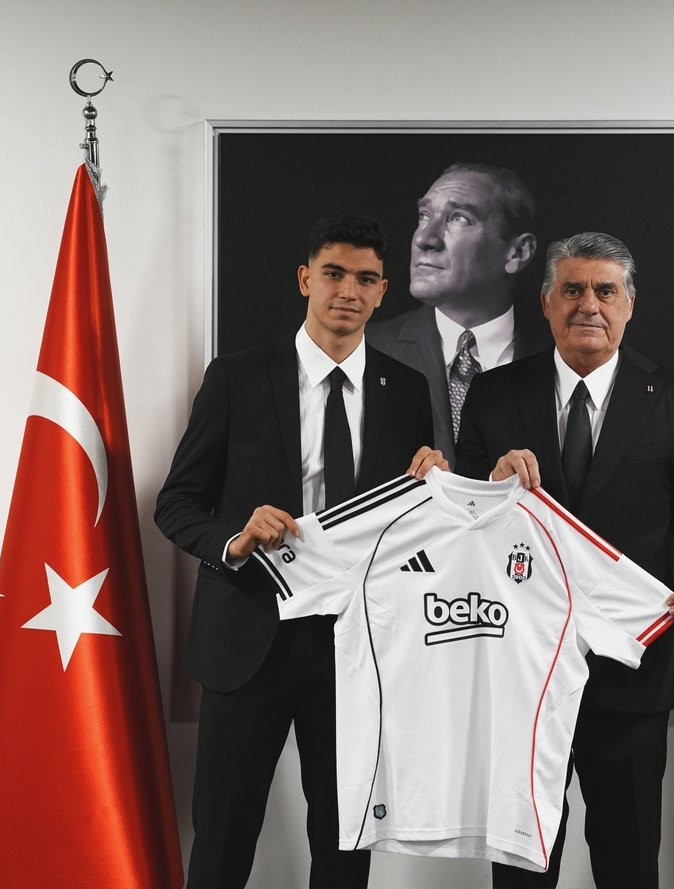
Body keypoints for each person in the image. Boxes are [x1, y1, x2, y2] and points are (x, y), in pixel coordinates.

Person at [154, 215, 446, 889]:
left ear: (383, 291)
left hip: (357, 647)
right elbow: (176, 502)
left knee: (344, 846)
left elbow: (411, 529)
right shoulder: (236, 377)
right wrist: (234, 537)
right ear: (305, 279)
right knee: (223, 839)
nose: (349, 290)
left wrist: (433, 488)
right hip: (248, 636)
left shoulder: (406, 389)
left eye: (366, 279)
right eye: (334, 274)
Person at [455, 232, 674, 889]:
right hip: (521, 670)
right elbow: (458, 521)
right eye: (573, 290)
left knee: (627, 860)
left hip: (630, 671)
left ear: (629, 304)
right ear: (546, 302)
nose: (589, 304)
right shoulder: (493, 394)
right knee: (522, 868)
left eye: (605, 291)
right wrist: (489, 486)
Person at [367, 161, 550, 462]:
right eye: (424, 215)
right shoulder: (368, 350)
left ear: (517, 253)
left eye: (459, 218)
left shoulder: (559, 360)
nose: (424, 239)